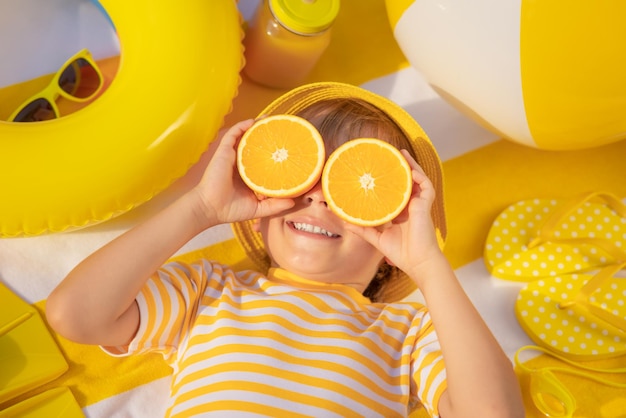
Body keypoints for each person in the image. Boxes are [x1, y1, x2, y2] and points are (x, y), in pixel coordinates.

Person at [47, 82, 524, 417]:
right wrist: (198, 210)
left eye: (352, 186)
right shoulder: (208, 290)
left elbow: (494, 413)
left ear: (395, 224)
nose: (318, 196)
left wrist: (427, 264)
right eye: (303, 175)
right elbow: (74, 314)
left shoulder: (408, 333)